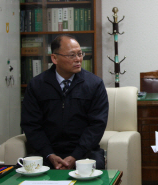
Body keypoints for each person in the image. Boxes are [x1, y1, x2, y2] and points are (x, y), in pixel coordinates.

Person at [21, 34, 109, 170]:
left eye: (80, 54)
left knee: (95, 169)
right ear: (54, 58)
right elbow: (31, 125)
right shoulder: (37, 85)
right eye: (72, 55)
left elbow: (97, 125)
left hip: (84, 152)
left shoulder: (94, 84)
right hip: (47, 152)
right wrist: (49, 154)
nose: (78, 59)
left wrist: (75, 156)